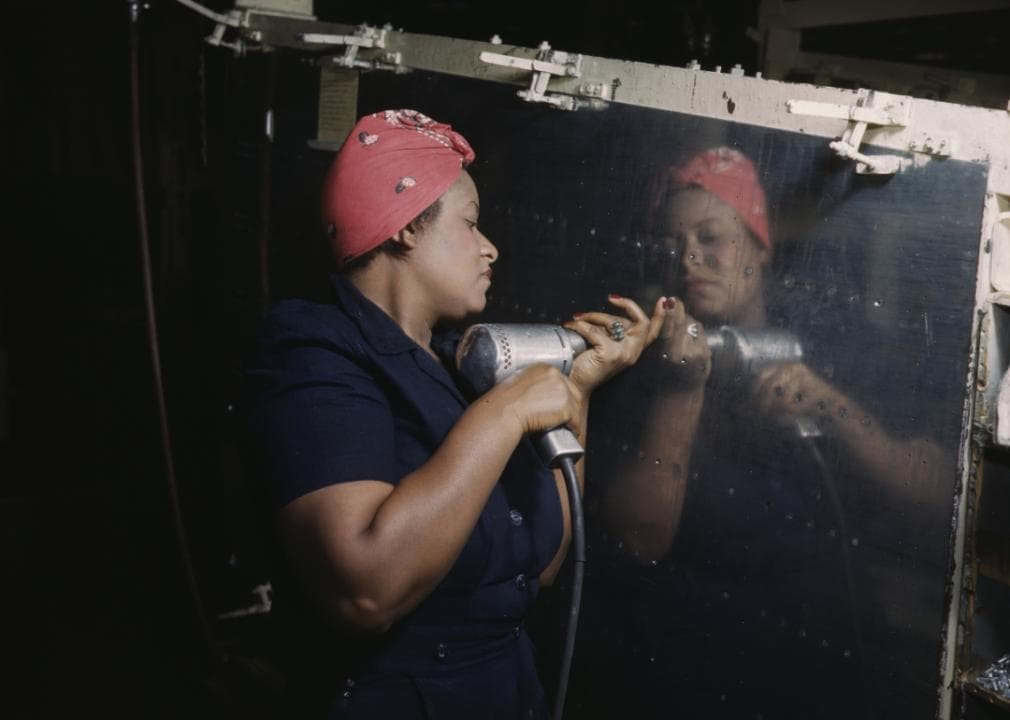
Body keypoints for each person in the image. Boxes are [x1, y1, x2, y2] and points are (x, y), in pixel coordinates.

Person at [243, 108, 668, 719]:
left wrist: (577, 392)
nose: (490, 246)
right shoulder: (313, 352)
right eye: (470, 223)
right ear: (405, 228)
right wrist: (504, 414)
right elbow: (364, 592)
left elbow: (544, 565)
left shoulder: (456, 366)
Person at [575, 146, 949, 718]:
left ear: (760, 244)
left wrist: (832, 408)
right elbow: (637, 539)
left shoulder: (833, 341)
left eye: (711, 237)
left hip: (823, 662)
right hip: (688, 663)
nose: (689, 258)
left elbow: (937, 501)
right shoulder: (640, 367)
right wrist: (682, 389)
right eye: (672, 244)